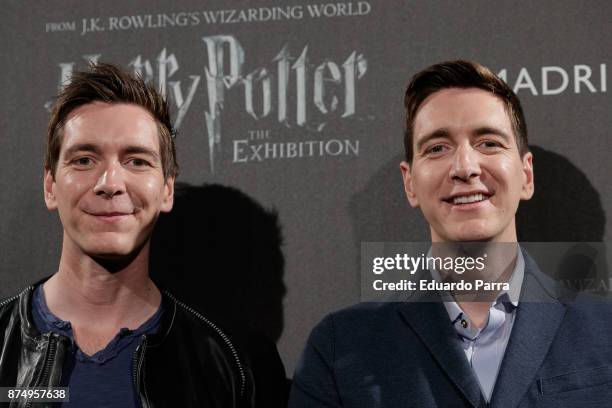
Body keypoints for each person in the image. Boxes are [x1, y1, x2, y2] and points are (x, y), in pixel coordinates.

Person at [289, 60, 612, 407]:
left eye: (488, 143)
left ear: (526, 175)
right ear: (410, 183)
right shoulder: (341, 349)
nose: (465, 168)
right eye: (437, 148)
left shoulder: (605, 333)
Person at [0, 63, 255, 407]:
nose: (110, 184)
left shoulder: (225, 362)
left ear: (167, 189)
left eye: (136, 161)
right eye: (85, 160)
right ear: (50, 186)